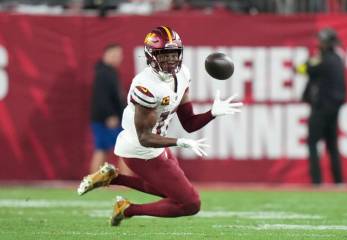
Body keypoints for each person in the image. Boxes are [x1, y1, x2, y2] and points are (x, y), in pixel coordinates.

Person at [78, 26, 243, 226]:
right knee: (190, 203)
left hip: (157, 143)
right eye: (164, 55)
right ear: (151, 55)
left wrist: (212, 113)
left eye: (174, 54)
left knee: (172, 192)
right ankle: (127, 209)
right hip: (139, 149)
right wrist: (179, 142)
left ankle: (112, 178)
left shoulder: (182, 74)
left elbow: (189, 123)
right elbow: (144, 138)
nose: (171, 60)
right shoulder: (146, 86)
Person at [297, 27, 346, 185]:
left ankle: (317, 182)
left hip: (321, 108)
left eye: (321, 41)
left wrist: (306, 64)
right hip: (334, 108)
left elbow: (304, 69)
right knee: (332, 145)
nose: (318, 43)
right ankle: (339, 182)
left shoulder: (322, 60)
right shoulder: (338, 58)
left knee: (313, 143)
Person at [89, 43, 126, 173]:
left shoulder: (110, 72)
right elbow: (101, 98)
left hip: (109, 119)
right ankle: (127, 182)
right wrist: (109, 115)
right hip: (107, 120)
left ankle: (94, 182)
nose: (118, 58)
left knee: (103, 149)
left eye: (119, 55)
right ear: (106, 55)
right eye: (114, 55)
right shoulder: (104, 73)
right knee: (124, 150)